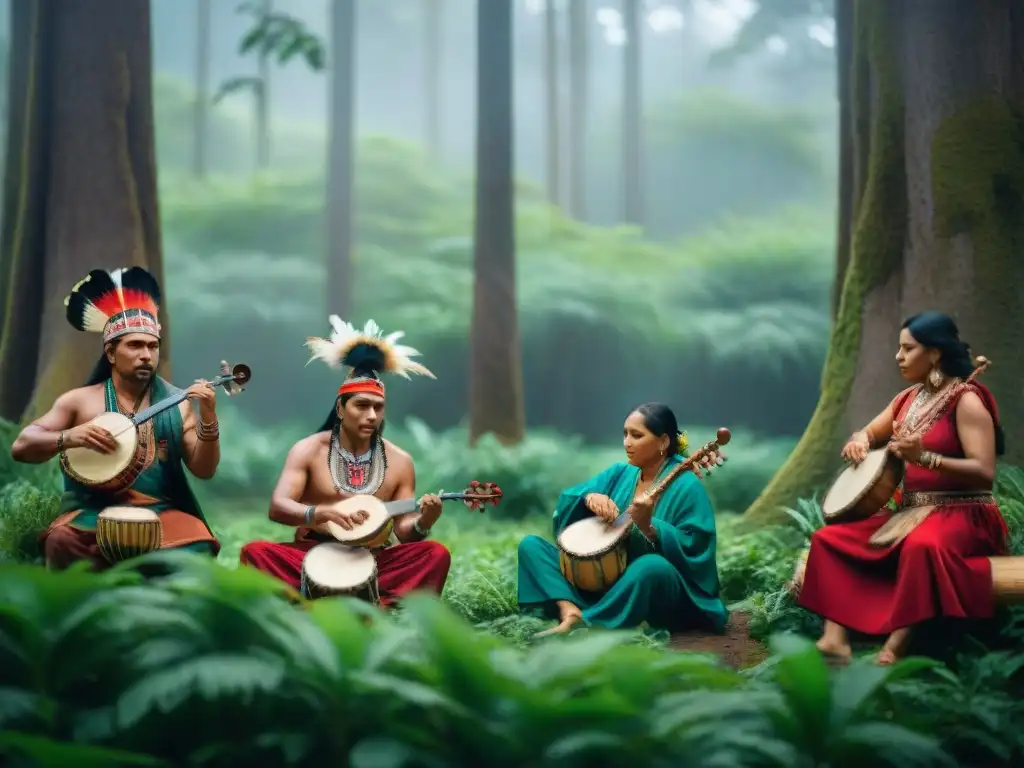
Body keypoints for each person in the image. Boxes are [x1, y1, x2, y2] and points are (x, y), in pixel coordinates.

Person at [797, 311, 1009, 666]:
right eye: (899, 348)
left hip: (964, 513)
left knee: (922, 546)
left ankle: (896, 648)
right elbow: (869, 431)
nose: (899, 356)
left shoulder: (967, 399)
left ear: (935, 354)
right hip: (910, 514)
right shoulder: (907, 399)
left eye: (908, 349)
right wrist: (858, 441)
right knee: (829, 540)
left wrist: (925, 458)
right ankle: (835, 640)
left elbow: (984, 472)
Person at [9, 267, 226, 569]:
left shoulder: (178, 404)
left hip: (161, 514)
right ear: (111, 352)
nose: (146, 355)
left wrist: (209, 417)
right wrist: (68, 437)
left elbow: (204, 470)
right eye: (135, 345)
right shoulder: (79, 401)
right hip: (92, 512)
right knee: (62, 542)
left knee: (198, 549)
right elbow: (21, 446)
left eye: (152, 346)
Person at [239, 316, 452, 605]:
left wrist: (425, 520)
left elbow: (404, 532)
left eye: (378, 407)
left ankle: (380, 606)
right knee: (256, 553)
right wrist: (321, 514)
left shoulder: (400, 461)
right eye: (362, 406)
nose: (372, 416)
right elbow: (278, 507)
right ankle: (313, 599)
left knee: (435, 555)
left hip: (374, 558)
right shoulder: (309, 450)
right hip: (310, 554)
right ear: (341, 407)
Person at [517, 402, 729, 637]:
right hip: (603, 581)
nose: (627, 442)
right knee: (531, 546)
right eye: (625, 434)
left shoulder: (686, 484)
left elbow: (697, 545)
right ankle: (570, 610)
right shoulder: (620, 472)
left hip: (650, 585)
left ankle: (591, 620)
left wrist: (650, 527)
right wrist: (589, 498)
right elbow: (569, 499)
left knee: (652, 568)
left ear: (663, 442)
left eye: (637, 435)